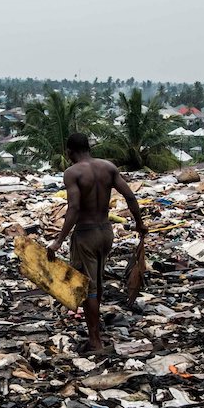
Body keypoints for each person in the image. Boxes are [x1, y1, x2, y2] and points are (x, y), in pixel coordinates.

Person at [47, 131, 147, 352]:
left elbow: (74, 208)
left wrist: (58, 240)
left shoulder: (72, 173)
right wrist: (139, 223)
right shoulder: (108, 167)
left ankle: (95, 340)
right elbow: (130, 196)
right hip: (106, 232)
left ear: (69, 151)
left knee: (87, 288)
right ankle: (96, 331)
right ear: (89, 148)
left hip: (86, 234)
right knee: (97, 283)